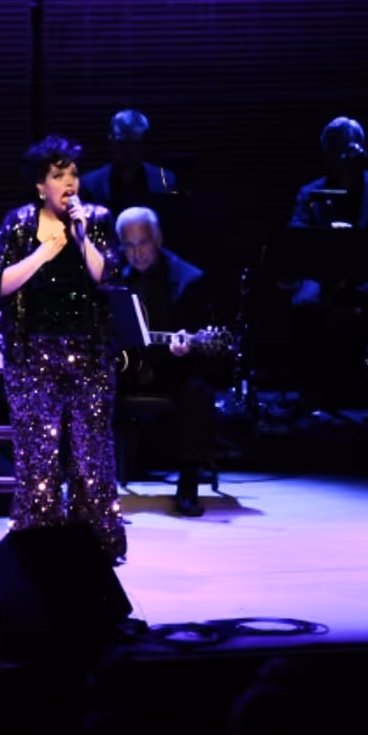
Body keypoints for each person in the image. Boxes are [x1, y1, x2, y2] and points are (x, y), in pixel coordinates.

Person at [0, 136, 127, 564]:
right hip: (31, 354)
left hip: (89, 353)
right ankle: (38, 542)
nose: (69, 183)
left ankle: (95, 543)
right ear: (40, 186)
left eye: (73, 175)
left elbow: (108, 277)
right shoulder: (19, 223)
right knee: (39, 456)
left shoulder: (98, 219)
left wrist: (81, 238)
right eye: (58, 176)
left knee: (91, 453)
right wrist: (43, 252)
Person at [287, 117, 368, 408]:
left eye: (346, 151)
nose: (341, 159)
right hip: (322, 274)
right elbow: (296, 238)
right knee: (304, 303)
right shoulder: (310, 192)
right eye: (334, 151)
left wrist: (359, 242)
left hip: (366, 273)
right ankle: (312, 388)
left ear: (360, 150)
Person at [115, 206, 217, 517]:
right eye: (129, 246)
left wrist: (189, 344)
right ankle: (97, 486)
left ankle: (188, 486)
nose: (137, 253)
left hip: (172, 368)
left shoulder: (189, 279)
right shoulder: (114, 276)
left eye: (143, 243)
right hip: (127, 369)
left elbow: (202, 334)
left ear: (157, 239)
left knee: (196, 392)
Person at [80, 110, 178, 220]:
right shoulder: (89, 185)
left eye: (135, 143)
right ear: (110, 141)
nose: (128, 149)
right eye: (122, 142)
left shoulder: (165, 181)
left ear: (145, 144)